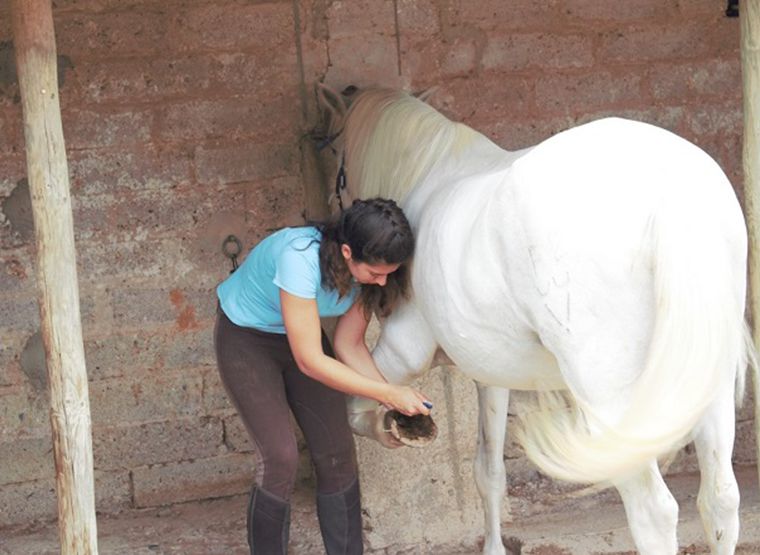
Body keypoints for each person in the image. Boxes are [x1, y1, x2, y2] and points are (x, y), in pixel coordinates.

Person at [214, 197, 431, 555]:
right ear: (347, 251)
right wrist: (388, 394)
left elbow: (350, 344)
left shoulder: (370, 278)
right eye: (376, 273)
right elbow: (311, 361)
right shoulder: (299, 257)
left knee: (337, 453)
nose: (381, 282)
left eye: (389, 273)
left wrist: (391, 399)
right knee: (280, 457)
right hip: (247, 339)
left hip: (302, 338)